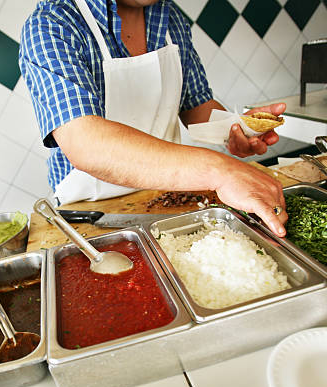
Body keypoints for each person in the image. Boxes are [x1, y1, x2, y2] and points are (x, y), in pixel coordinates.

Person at [19, 0, 288, 237]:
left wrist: (238, 129)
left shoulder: (171, 18)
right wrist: (222, 172)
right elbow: (87, 145)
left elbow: (196, 106)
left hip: (169, 193)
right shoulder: (53, 25)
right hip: (88, 208)